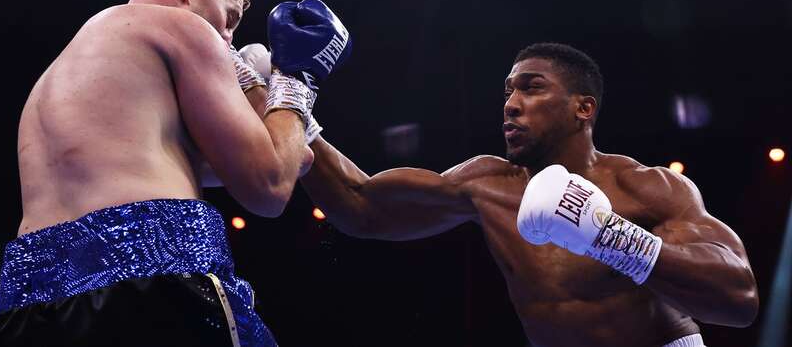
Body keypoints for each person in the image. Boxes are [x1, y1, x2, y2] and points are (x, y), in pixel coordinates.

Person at [0, 0, 350, 347]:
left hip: (25, 305)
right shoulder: (181, 27)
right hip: (150, 277)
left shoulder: (60, 78)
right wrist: (297, 80)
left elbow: (280, 160)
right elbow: (269, 186)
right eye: (229, 17)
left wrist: (288, 148)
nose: (229, 38)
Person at [300, 42, 758, 347]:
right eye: (508, 91)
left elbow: (739, 299)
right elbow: (360, 206)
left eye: (531, 87)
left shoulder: (644, 186)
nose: (511, 103)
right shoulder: (486, 184)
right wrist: (291, 103)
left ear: (583, 108)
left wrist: (615, 239)